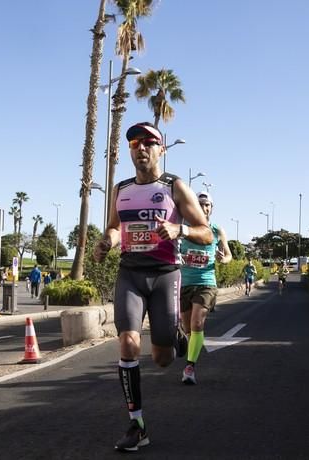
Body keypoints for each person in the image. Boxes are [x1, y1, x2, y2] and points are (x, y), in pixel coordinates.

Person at [93, 122, 213, 452]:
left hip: (165, 274)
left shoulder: (174, 187)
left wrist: (181, 231)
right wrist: (106, 242)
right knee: (129, 343)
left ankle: (172, 335)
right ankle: (137, 425)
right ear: (130, 150)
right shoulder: (122, 189)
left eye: (149, 142)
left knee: (162, 358)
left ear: (161, 150)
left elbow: (206, 232)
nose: (141, 148)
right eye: (134, 143)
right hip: (130, 273)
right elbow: (115, 227)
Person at [178, 191, 233, 385]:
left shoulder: (217, 230)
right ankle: (186, 341)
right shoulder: (184, 229)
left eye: (207, 204)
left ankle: (190, 367)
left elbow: (228, 255)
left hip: (206, 283)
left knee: (197, 324)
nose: (204, 207)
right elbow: (172, 250)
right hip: (185, 283)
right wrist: (178, 257)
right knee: (188, 328)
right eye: (200, 204)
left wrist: (222, 259)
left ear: (212, 207)